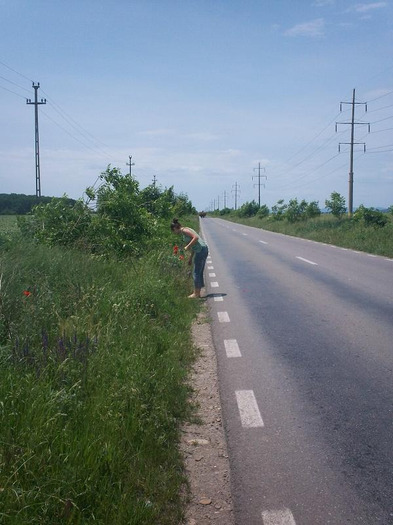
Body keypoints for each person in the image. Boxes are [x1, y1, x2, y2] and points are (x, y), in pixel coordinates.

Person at [171, 218, 209, 298]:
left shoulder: (184, 230)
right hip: (202, 249)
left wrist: (187, 246)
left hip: (201, 250)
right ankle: (198, 291)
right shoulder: (185, 231)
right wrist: (190, 258)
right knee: (199, 271)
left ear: (175, 228)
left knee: (196, 272)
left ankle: (196, 293)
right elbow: (194, 246)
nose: (174, 233)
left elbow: (195, 238)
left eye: (173, 231)